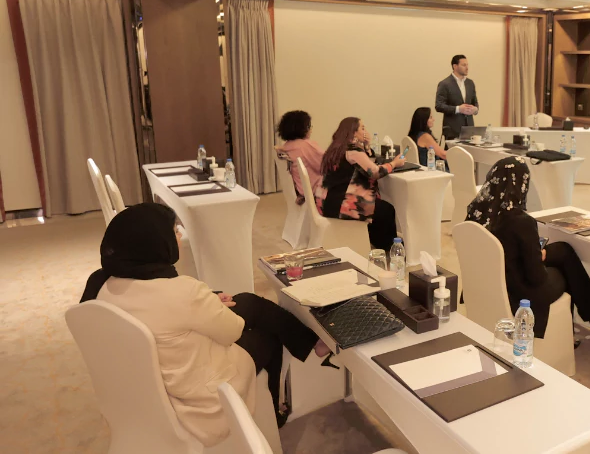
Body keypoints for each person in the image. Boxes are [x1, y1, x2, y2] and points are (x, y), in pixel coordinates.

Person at [80, 203, 331, 445]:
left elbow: (164, 312)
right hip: (197, 392)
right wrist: (208, 304)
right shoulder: (181, 291)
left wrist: (208, 301)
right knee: (268, 338)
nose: (179, 237)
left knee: (249, 302)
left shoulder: (100, 284)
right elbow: (232, 331)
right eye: (175, 231)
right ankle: (274, 412)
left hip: (149, 377)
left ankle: (311, 344)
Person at [466, 156, 590, 340]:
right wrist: (536, 257)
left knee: (564, 251)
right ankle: (576, 328)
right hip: (520, 291)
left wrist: (535, 254)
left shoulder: (476, 213)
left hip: (492, 279)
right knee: (565, 271)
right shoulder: (521, 222)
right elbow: (536, 277)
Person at [319, 117, 404, 251]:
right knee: (386, 209)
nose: (365, 131)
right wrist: (394, 164)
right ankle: (387, 246)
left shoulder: (336, 147)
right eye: (362, 128)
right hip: (342, 204)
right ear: (353, 132)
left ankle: (377, 240)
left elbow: (366, 165)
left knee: (378, 206)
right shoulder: (353, 151)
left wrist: (367, 146)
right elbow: (374, 172)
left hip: (327, 201)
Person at [275, 110, 324, 205]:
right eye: (309, 126)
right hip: (315, 190)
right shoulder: (306, 146)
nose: (311, 129)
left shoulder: (287, 146)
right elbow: (326, 165)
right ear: (302, 128)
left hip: (301, 190)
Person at [435, 54, 479, 140]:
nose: (467, 68)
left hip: (469, 130)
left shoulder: (470, 83)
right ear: (455, 66)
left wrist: (475, 109)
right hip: (452, 130)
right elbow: (439, 106)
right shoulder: (445, 84)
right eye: (463, 65)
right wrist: (458, 109)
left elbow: (475, 102)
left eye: (467, 65)